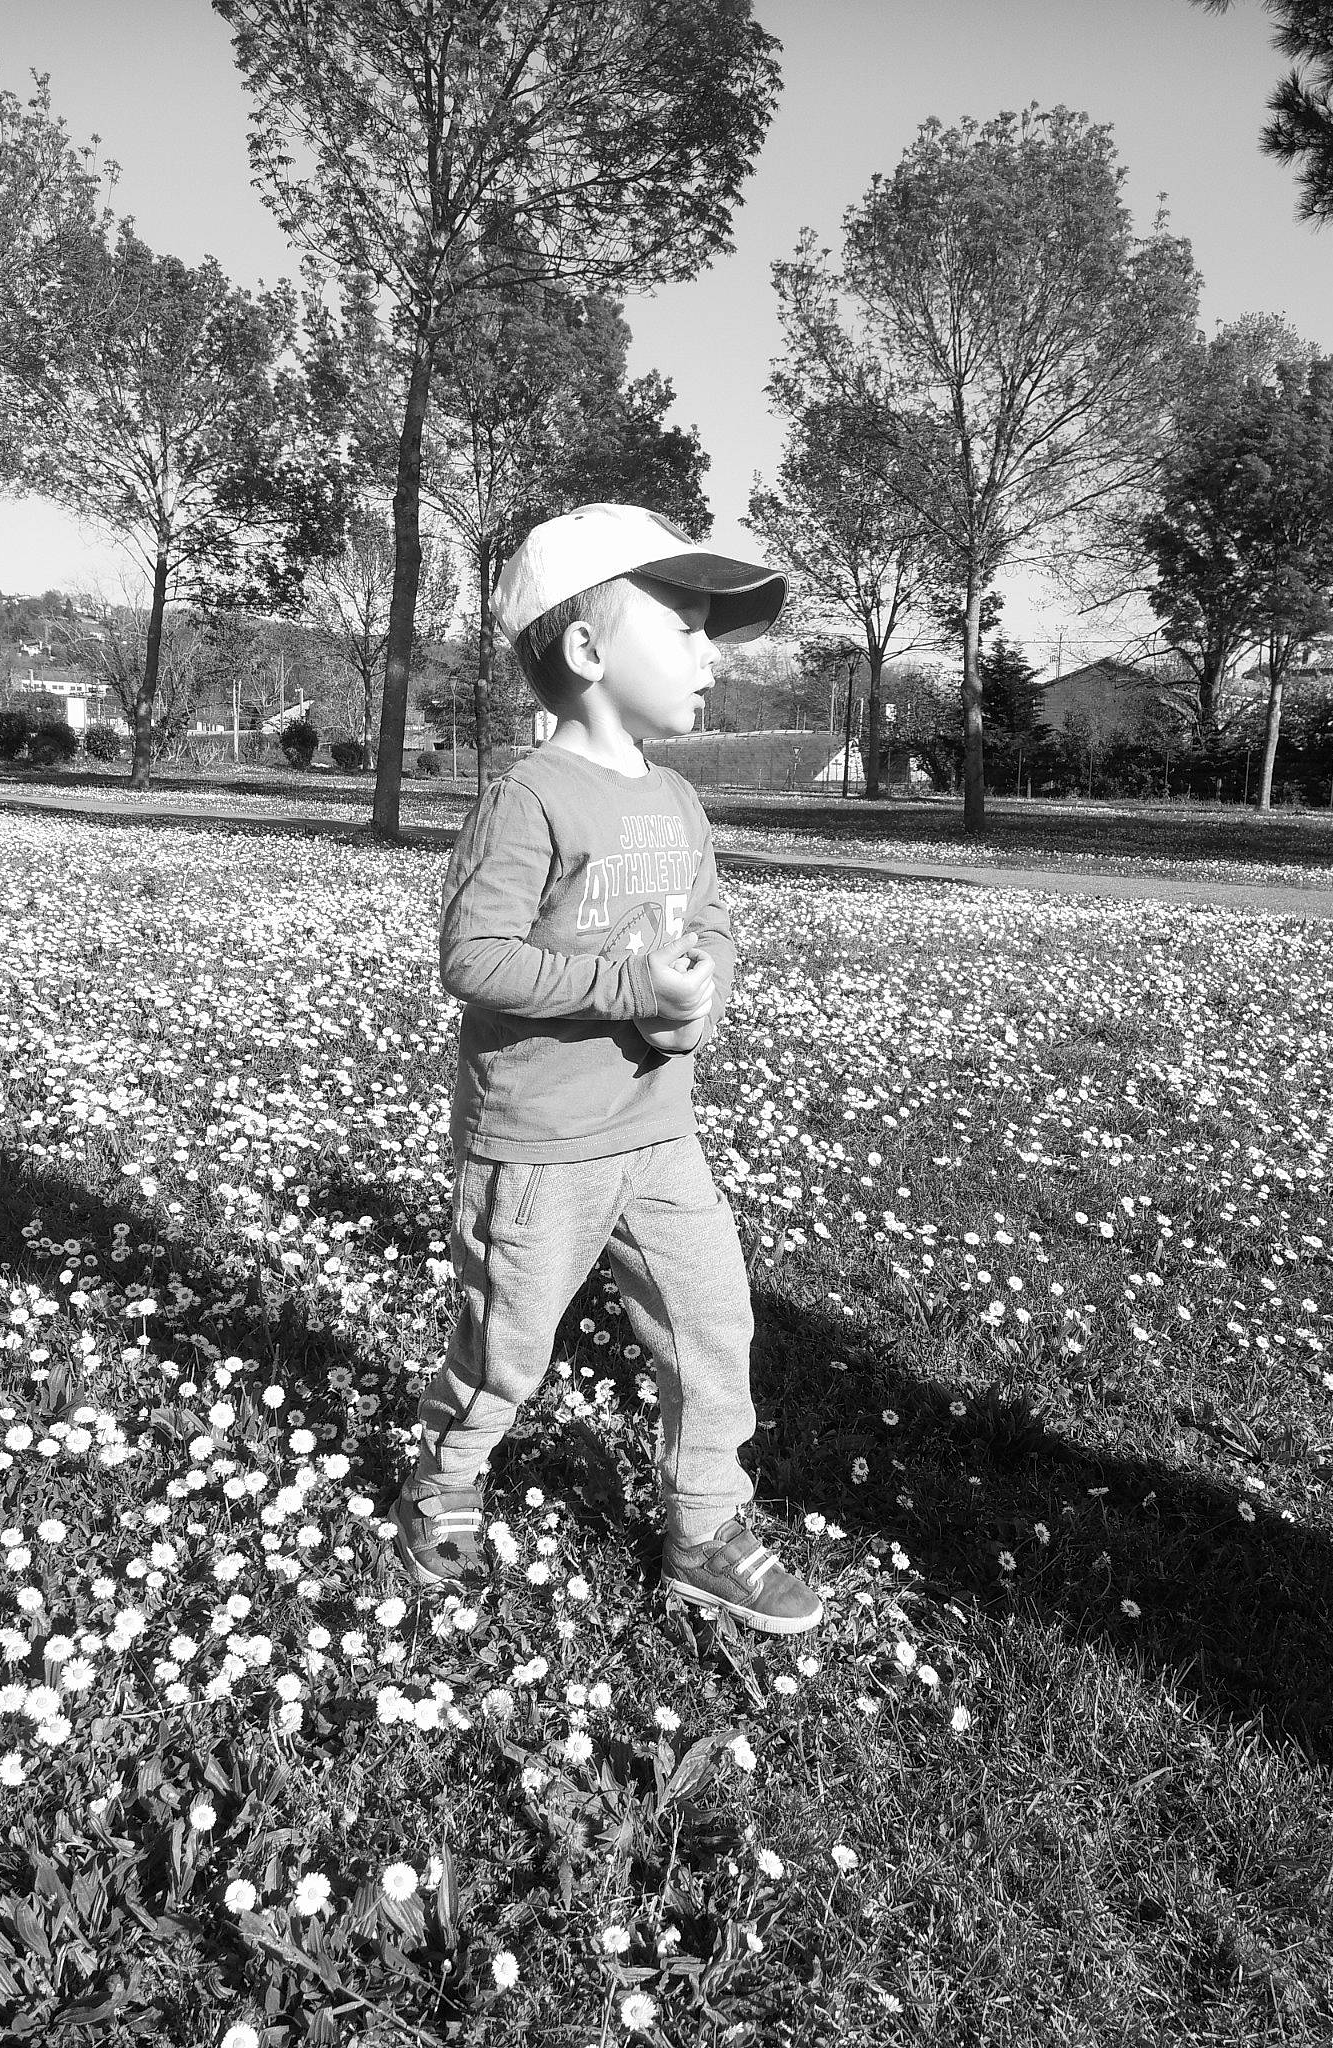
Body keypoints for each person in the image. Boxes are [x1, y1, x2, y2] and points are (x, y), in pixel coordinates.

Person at [387, 502, 823, 1635]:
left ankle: (705, 1522)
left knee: (714, 1316)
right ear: (586, 651)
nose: (711, 654)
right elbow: (472, 956)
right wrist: (632, 990)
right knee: (507, 1343)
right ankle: (446, 1470)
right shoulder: (527, 798)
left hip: (658, 1133)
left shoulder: (676, 799)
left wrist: (698, 1000)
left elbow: (712, 922)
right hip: (538, 1146)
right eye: (683, 626)